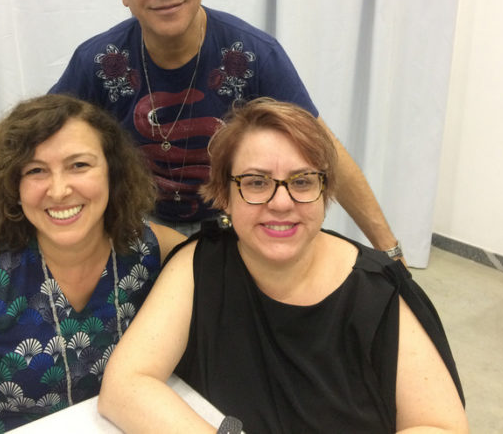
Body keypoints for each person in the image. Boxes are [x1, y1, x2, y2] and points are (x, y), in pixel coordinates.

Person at [0, 0, 404, 272]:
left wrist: (388, 249)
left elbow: (321, 147)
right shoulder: (97, 62)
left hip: (234, 228)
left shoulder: (252, 54)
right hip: (135, 230)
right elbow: (23, 151)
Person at [98, 98, 468, 433]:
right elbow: (124, 386)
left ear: (326, 191)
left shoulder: (378, 291)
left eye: (302, 181)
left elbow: (441, 426)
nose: (281, 202)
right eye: (256, 182)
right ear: (225, 195)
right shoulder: (200, 265)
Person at [0, 94, 185, 433]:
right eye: (36, 170)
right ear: (14, 183)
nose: (58, 191)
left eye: (79, 165)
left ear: (113, 173)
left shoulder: (154, 250)